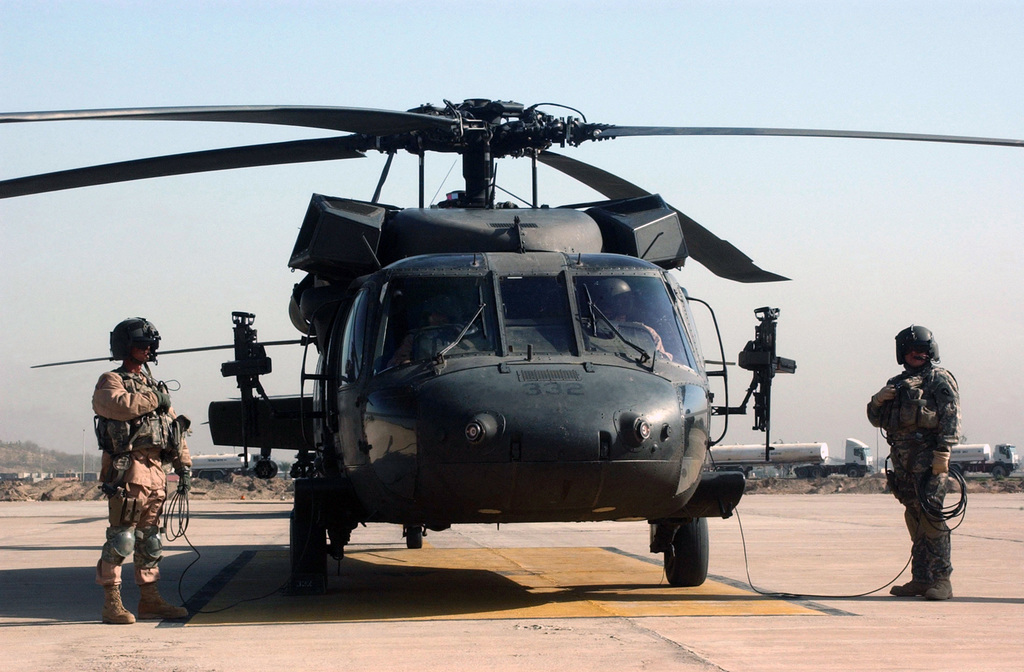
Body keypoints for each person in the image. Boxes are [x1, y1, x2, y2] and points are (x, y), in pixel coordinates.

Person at [93, 318, 193, 624]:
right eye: (141, 345)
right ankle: (112, 602)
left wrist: (183, 467)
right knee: (122, 538)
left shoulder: (153, 386)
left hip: (155, 473)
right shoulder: (111, 380)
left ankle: (149, 601)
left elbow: (175, 430)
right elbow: (114, 405)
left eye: (150, 345)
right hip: (128, 470)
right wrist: (154, 400)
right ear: (125, 347)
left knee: (150, 541)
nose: (147, 350)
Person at [867, 325, 961, 601]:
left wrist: (944, 452)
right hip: (902, 461)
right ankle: (921, 579)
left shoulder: (938, 379)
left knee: (932, 518)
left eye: (922, 350)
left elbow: (950, 415)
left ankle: (942, 580)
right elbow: (877, 419)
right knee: (914, 517)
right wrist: (876, 401)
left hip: (929, 460)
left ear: (931, 352)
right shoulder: (896, 383)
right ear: (902, 354)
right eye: (911, 350)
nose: (917, 355)